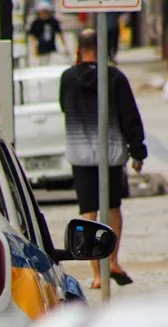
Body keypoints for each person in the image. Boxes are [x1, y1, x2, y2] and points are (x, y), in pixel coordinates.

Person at [59, 28, 146, 289]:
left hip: (80, 153)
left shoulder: (67, 78)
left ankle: (97, 274)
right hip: (111, 154)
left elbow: (64, 106)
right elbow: (129, 115)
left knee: (88, 212)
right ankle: (113, 260)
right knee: (112, 208)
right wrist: (138, 151)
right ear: (103, 50)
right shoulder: (115, 77)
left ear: (79, 49)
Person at [28, 2, 69, 66]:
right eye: (43, 12)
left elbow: (60, 34)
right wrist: (34, 51)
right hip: (41, 50)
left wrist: (65, 47)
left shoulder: (53, 21)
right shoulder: (36, 23)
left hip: (52, 49)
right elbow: (32, 38)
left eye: (46, 12)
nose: (44, 14)